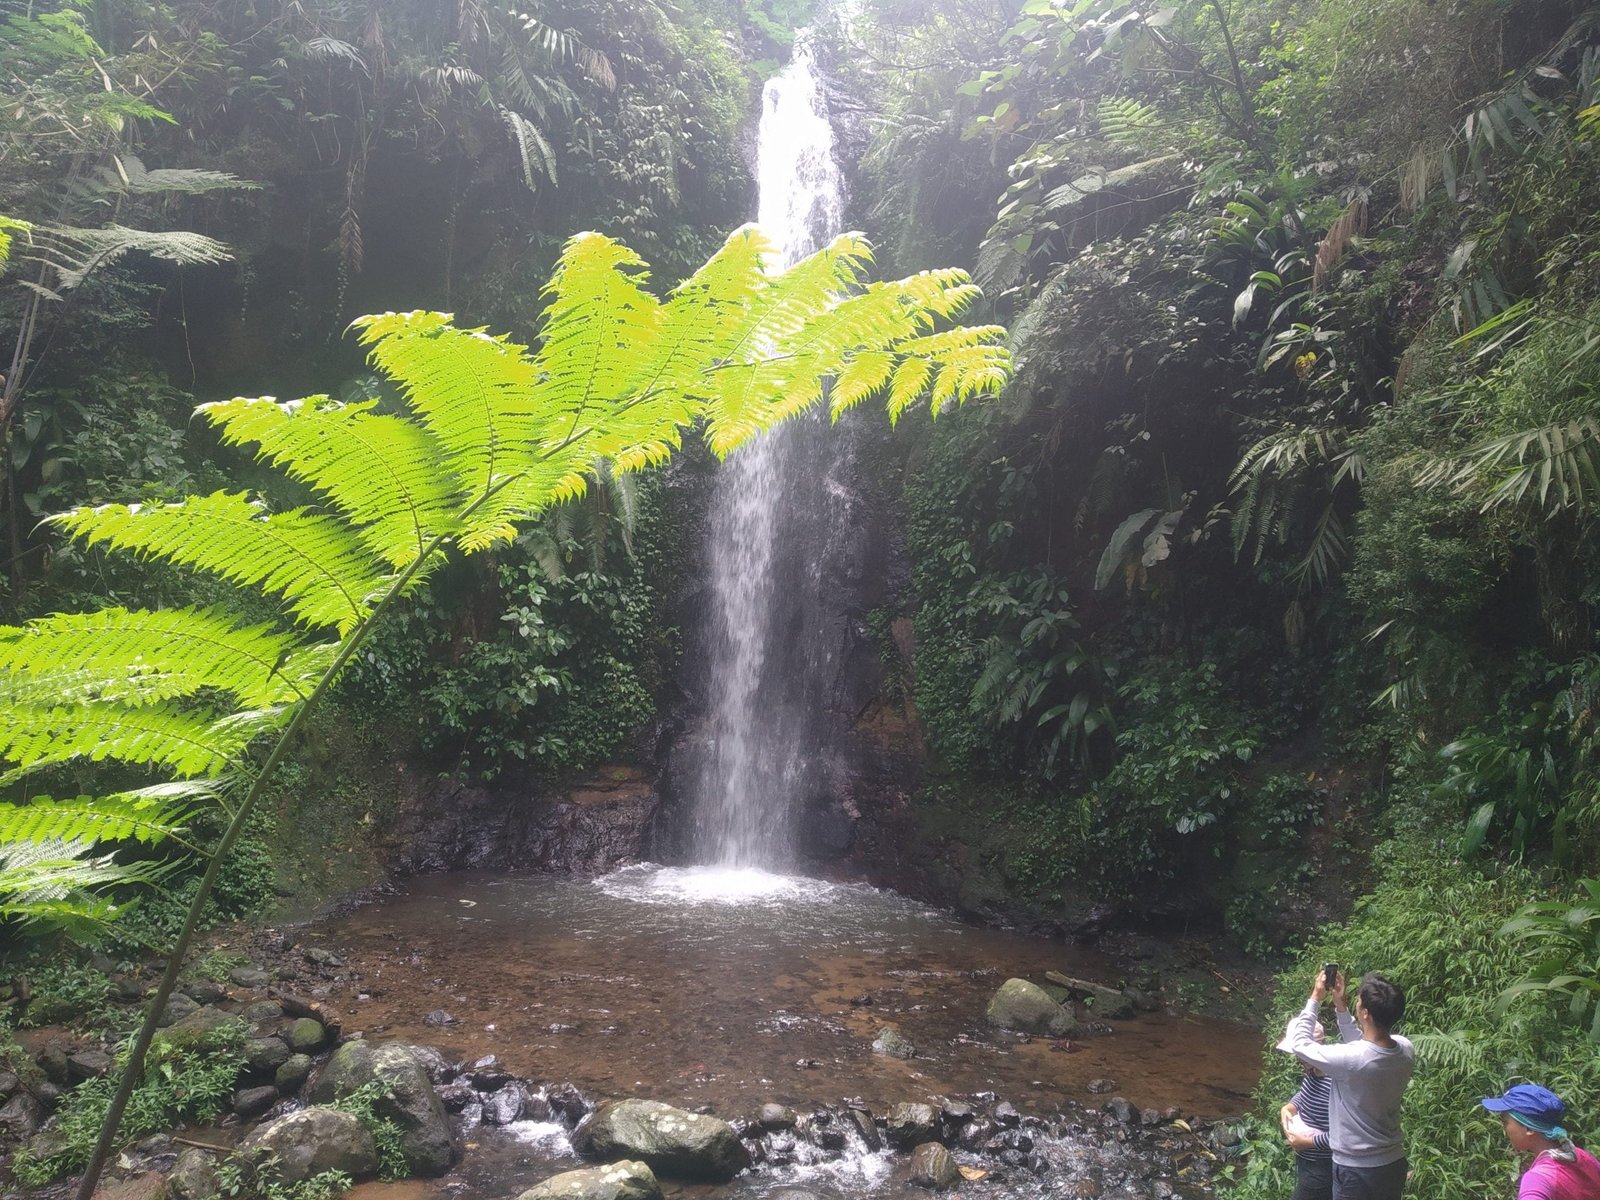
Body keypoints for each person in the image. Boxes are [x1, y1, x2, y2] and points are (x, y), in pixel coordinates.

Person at [1283, 968, 1415, 1200]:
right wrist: (1341, 1007)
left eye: (1359, 1000)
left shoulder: (1352, 1060)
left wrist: (1315, 997)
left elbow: (1301, 1044)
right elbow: (1365, 1046)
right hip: (1393, 1162)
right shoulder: (1405, 1049)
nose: (1356, 1001)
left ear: (1365, 1013)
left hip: (1357, 1168)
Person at [1480, 1083, 1600, 1200]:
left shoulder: (1537, 1179)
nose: (1504, 1128)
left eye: (1505, 1122)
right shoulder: (1582, 1156)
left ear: (1529, 1129)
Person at [1278, 1020, 1333, 1200]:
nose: (1297, 1058)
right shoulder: (1313, 1070)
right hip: (1307, 1159)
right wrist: (1289, 1107)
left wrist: (1307, 1143)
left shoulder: (1334, 1081)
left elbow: (1343, 1134)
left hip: (1322, 1163)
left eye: (1300, 1053)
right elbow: (1305, 1094)